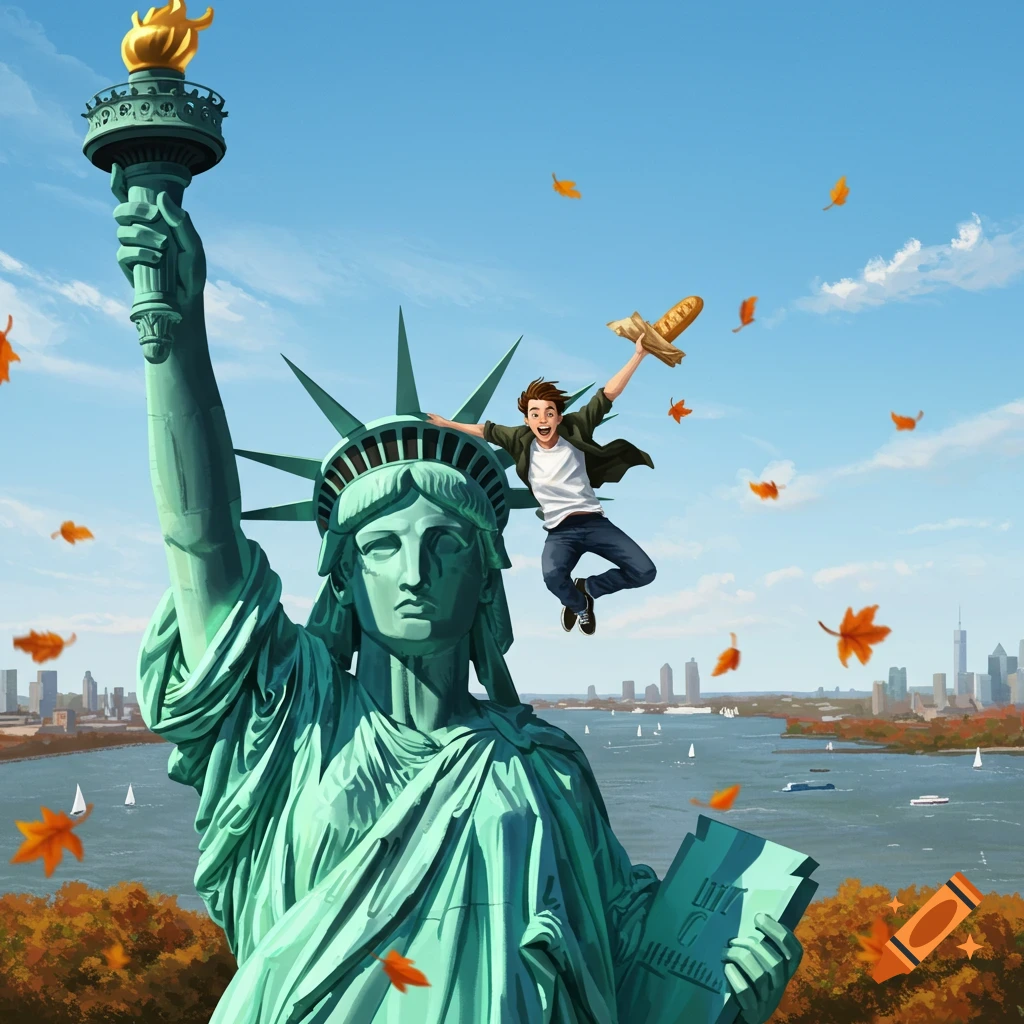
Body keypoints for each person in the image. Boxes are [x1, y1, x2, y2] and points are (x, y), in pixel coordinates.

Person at [111, 169, 803, 1023]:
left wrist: (725, 986)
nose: (412, 570)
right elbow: (200, 537)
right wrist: (172, 334)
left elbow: (622, 964)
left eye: (444, 544)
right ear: (343, 577)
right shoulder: (289, 718)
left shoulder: (544, 766)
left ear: (486, 575)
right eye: (380, 545)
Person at [428, 340, 656, 636]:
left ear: (559, 417)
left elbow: (608, 393)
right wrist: (448, 424)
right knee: (552, 577)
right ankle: (580, 605)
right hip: (560, 532)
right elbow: (485, 430)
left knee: (644, 571)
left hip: (593, 521)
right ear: (527, 420)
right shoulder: (520, 439)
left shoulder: (576, 428)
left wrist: (638, 355)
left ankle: (589, 588)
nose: (542, 420)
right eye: (535, 414)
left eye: (549, 413)